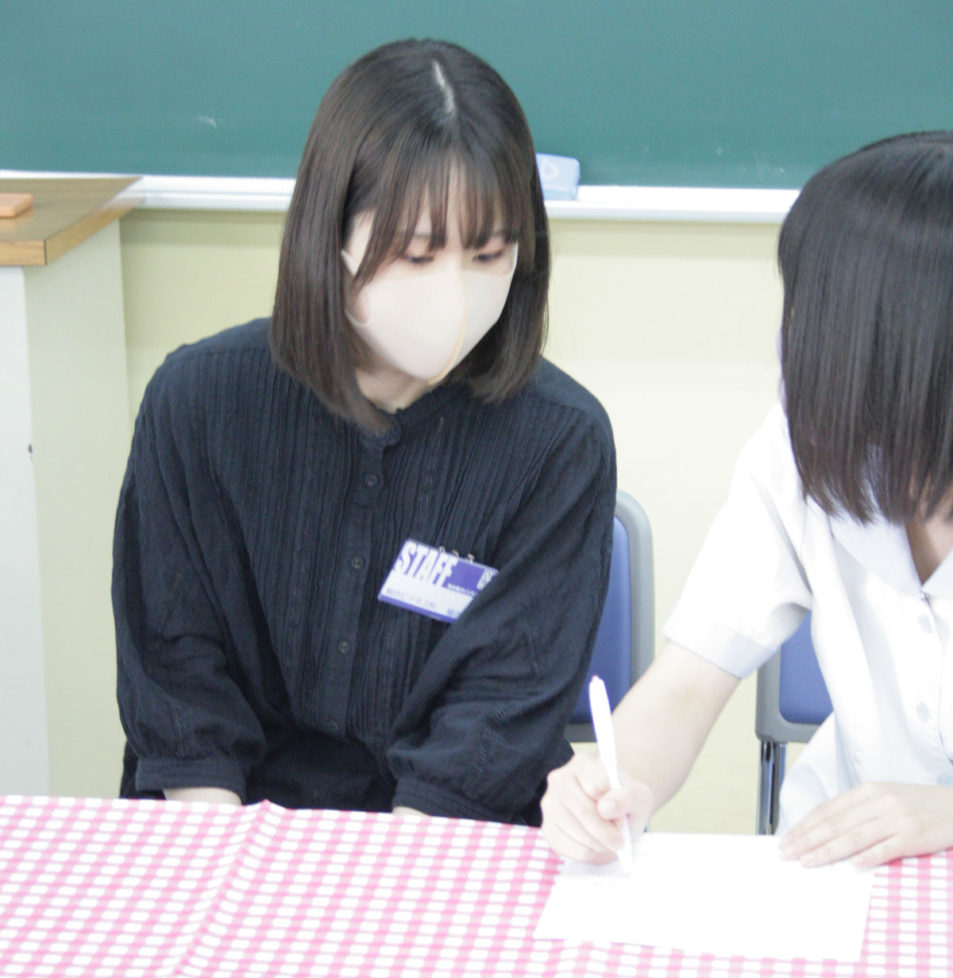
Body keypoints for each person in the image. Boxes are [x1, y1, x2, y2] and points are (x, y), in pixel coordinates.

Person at [113, 39, 616, 825]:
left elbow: (498, 712)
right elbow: (177, 672)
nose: (455, 293)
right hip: (227, 816)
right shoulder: (199, 403)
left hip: (449, 828)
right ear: (332, 237)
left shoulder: (558, 442)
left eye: (488, 254)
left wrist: (385, 869)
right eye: (416, 255)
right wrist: (223, 858)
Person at [541, 131, 953, 867]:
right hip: (845, 870)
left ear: (898, 345)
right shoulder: (802, 453)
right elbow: (686, 683)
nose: (792, 340)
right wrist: (612, 781)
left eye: (814, 310)